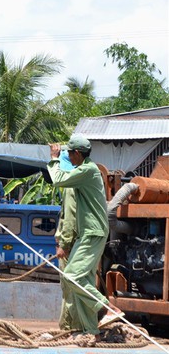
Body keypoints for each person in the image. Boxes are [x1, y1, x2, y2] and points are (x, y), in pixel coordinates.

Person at [48, 135, 123, 335]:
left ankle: (107, 309)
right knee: (84, 282)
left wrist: (54, 158)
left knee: (72, 277)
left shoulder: (87, 170)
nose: (69, 158)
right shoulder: (87, 170)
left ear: (77, 154)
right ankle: (91, 331)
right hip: (89, 233)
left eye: (70, 154)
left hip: (92, 232)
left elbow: (58, 179)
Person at [54, 150, 77, 330]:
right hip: (77, 243)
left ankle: (68, 326)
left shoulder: (71, 187)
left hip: (70, 245)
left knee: (69, 286)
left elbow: (69, 219)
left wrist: (64, 244)